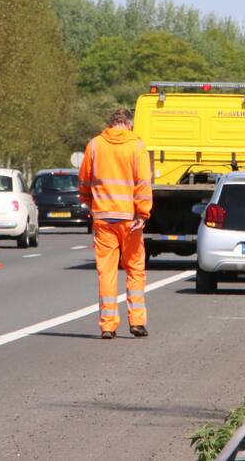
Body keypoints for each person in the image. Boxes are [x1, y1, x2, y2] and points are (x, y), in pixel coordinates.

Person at [78, 108, 152, 340]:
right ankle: (137, 322)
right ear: (128, 125)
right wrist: (143, 213)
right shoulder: (136, 146)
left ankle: (108, 326)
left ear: (111, 124)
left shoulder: (95, 145)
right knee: (134, 269)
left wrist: (91, 203)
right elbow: (142, 183)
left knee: (106, 272)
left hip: (103, 217)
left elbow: (84, 181)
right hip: (129, 218)